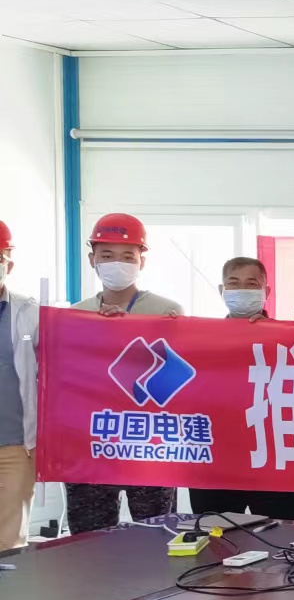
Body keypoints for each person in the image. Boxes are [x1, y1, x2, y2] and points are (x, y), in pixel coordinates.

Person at [66, 214, 182, 533]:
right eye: (107, 255)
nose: (117, 263)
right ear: (92, 260)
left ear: (141, 261)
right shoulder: (74, 315)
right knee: (89, 540)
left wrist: (168, 333)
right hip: (90, 441)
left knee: (156, 534)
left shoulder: (167, 311)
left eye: (127, 256)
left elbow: (180, 379)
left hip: (148, 441)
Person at [187, 255, 294, 523]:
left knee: (277, 536)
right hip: (215, 461)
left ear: (266, 291)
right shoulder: (200, 338)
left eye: (251, 284)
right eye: (234, 283)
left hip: (271, 460)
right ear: (222, 289)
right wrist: (167, 328)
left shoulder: (289, 337)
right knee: (215, 538)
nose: (242, 290)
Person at [0, 221, 37, 552]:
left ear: (8, 265)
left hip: (13, 447)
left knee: (8, 541)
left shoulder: (29, 312)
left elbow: (72, 351)